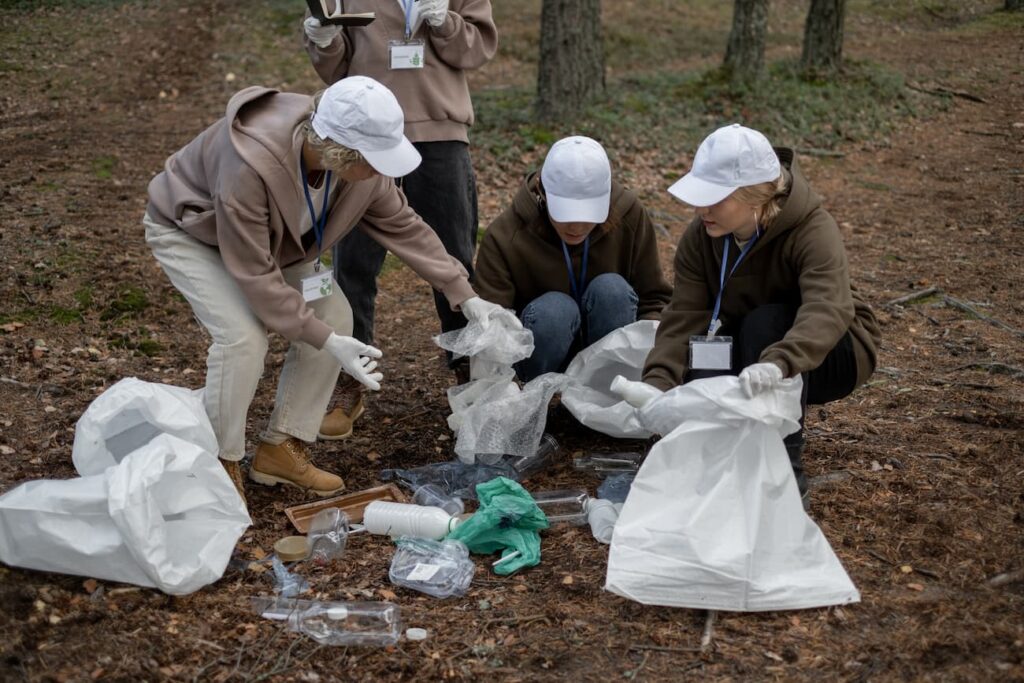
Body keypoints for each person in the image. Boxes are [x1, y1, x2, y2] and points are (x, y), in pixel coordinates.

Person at [144, 75, 507, 506]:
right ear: (337, 150)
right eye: (374, 159)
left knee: (335, 314)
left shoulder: (359, 171)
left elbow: (404, 225)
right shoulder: (249, 165)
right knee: (242, 340)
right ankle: (220, 461)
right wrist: (324, 341)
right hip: (193, 232)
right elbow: (257, 276)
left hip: (279, 241)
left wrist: (462, 290)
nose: (382, 170)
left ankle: (281, 446)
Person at [613, 124, 881, 508]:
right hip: (748, 346)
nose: (701, 209)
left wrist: (779, 364)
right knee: (704, 353)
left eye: (714, 199)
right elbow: (685, 314)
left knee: (765, 323)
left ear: (754, 196)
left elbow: (829, 308)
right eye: (699, 197)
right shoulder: (701, 236)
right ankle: (711, 463)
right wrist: (658, 383)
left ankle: (785, 473)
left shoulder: (811, 228)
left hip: (832, 352)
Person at [303, 0, 498, 439]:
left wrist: (444, 22)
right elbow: (336, 70)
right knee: (352, 263)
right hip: (361, 140)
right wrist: (323, 41)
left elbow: (477, 51)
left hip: (441, 133)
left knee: (453, 257)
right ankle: (349, 378)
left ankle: (470, 372)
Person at [473, 136, 672, 381]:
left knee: (612, 291)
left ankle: (605, 390)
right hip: (539, 355)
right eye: (565, 213)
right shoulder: (505, 234)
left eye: (589, 213)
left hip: (610, 357)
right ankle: (538, 399)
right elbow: (492, 320)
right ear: (541, 192)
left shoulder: (629, 215)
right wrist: (498, 384)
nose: (577, 226)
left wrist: (652, 363)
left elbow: (654, 297)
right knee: (556, 310)